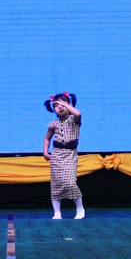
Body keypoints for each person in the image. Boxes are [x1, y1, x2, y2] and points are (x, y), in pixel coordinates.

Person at [42, 92, 84, 220]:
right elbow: (47, 138)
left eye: (62, 103)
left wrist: (64, 104)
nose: (59, 106)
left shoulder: (74, 120)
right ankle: (57, 212)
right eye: (56, 105)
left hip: (70, 154)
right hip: (57, 154)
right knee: (56, 183)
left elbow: (78, 114)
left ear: (68, 104)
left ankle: (80, 208)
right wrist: (45, 152)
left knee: (69, 182)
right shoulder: (54, 124)